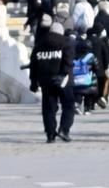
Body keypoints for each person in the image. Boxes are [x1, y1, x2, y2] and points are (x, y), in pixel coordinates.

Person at [29, 14, 75, 143]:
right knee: (68, 105)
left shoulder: (39, 44)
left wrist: (33, 82)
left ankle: (50, 134)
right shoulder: (66, 42)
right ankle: (64, 129)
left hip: (46, 81)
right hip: (63, 80)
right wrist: (64, 73)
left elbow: (33, 64)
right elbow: (68, 61)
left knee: (48, 108)